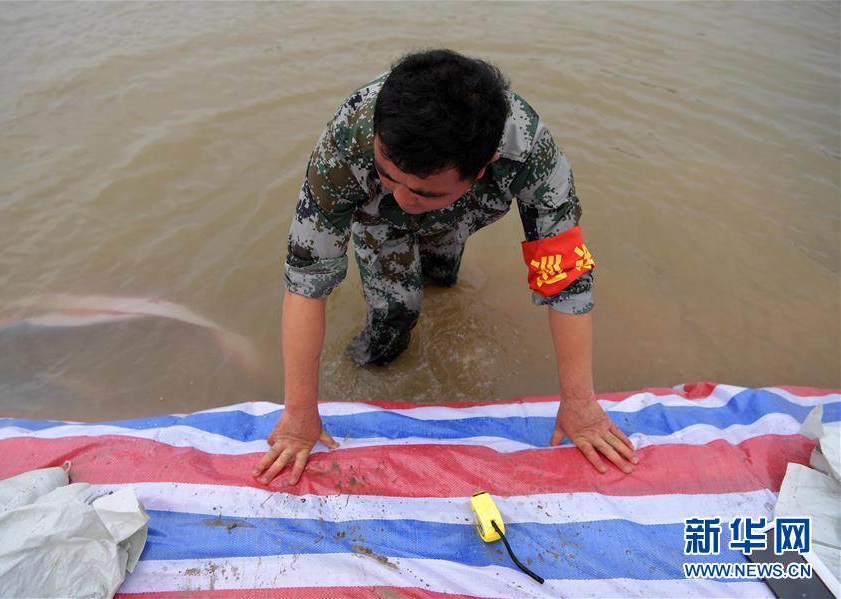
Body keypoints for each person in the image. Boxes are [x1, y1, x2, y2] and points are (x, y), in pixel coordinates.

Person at [252, 49, 638, 486]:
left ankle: (437, 245)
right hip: (376, 219)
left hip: (465, 211)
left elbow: (566, 278)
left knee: (443, 276)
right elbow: (307, 279)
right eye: (389, 174)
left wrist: (580, 404)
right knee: (396, 310)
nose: (402, 197)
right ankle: (377, 358)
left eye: (420, 191)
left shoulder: (531, 155)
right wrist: (300, 413)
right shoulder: (348, 142)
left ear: (484, 166)